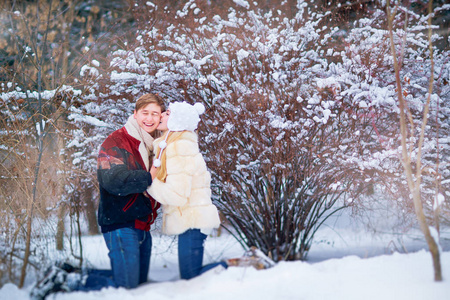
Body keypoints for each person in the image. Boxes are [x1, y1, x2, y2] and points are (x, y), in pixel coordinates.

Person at [30, 93, 165, 299]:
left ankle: (69, 274)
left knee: (137, 285)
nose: (149, 118)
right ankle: (67, 280)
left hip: (142, 224)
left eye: (155, 114)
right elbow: (112, 179)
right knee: (126, 288)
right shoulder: (116, 141)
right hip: (121, 223)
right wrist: (148, 176)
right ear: (135, 114)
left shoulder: (153, 144)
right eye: (145, 113)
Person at [147, 101, 270, 280]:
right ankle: (245, 262)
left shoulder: (179, 147)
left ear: (177, 121)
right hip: (191, 219)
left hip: (192, 220)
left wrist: (148, 183)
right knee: (190, 274)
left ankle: (247, 263)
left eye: (167, 113)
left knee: (191, 275)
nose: (161, 116)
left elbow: (176, 194)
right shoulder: (173, 145)